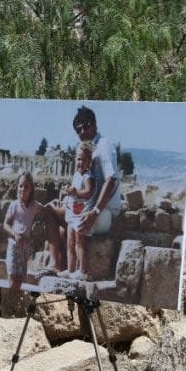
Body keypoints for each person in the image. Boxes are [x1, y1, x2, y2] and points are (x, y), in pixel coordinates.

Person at [44, 105, 122, 273]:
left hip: (103, 211)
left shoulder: (103, 145)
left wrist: (95, 212)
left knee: (51, 212)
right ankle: (64, 269)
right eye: (77, 129)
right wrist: (67, 200)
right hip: (92, 206)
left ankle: (57, 265)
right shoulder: (88, 149)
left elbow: (111, 180)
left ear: (94, 124)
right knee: (57, 217)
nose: (81, 131)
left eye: (85, 126)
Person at [58, 142, 95, 280]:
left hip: (81, 214)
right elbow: (73, 193)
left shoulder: (87, 177)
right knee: (70, 242)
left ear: (89, 162)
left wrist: (77, 192)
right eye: (78, 159)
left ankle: (83, 271)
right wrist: (69, 194)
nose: (80, 162)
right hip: (72, 213)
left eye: (84, 159)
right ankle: (70, 269)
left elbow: (89, 192)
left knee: (80, 242)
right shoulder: (76, 175)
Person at [3, 171, 41, 290]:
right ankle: (9, 297)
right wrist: (15, 234)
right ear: (17, 187)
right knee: (12, 274)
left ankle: (15, 299)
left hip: (24, 246)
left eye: (26, 186)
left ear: (31, 190)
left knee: (20, 278)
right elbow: (5, 224)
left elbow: (45, 209)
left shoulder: (34, 205)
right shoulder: (14, 205)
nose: (23, 189)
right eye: (20, 186)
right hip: (14, 244)